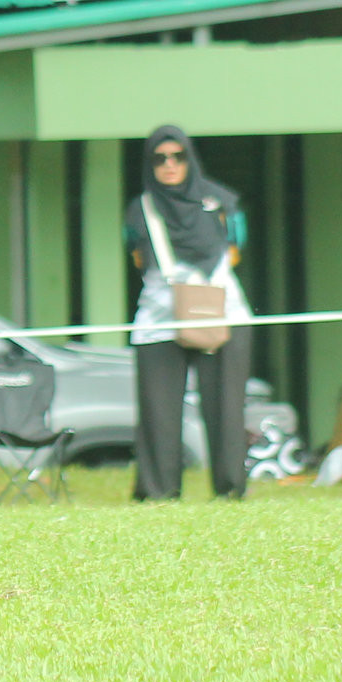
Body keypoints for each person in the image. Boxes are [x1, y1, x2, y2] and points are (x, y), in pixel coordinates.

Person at [125, 125, 253, 501]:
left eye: (177, 157)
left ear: (190, 159)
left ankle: (230, 490)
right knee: (158, 414)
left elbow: (236, 248)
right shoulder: (140, 211)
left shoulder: (221, 203)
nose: (169, 166)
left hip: (222, 315)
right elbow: (136, 255)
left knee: (227, 408)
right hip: (159, 321)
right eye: (159, 159)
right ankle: (158, 492)